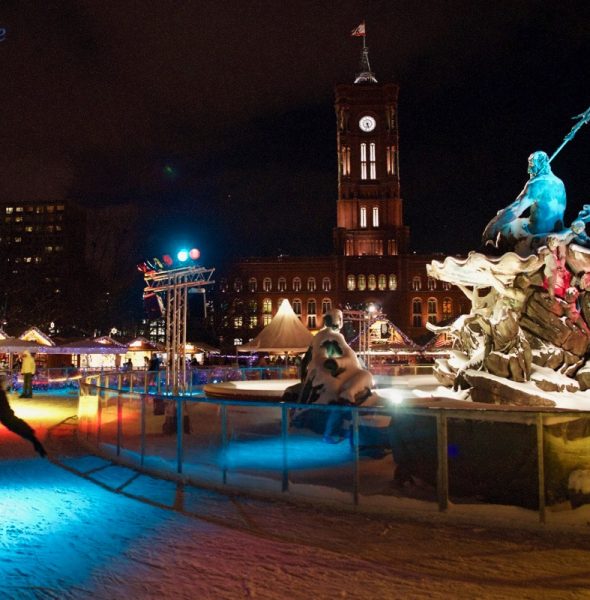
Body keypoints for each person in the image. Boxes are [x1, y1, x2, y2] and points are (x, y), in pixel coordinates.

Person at [482, 151, 567, 256]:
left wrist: (492, 227)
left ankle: (496, 253)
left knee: (505, 226)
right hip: (556, 229)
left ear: (540, 164)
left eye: (531, 165)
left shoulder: (537, 183)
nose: (528, 170)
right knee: (515, 220)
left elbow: (516, 210)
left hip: (539, 233)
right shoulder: (559, 182)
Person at [0, 374, 46, 457]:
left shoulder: (1, 393)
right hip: (8, 418)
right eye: (6, 382)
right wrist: (31, 436)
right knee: (13, 423)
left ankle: (32, 438)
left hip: (8, 418)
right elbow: (6, 416)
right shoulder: (1, 394)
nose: (9, 384)